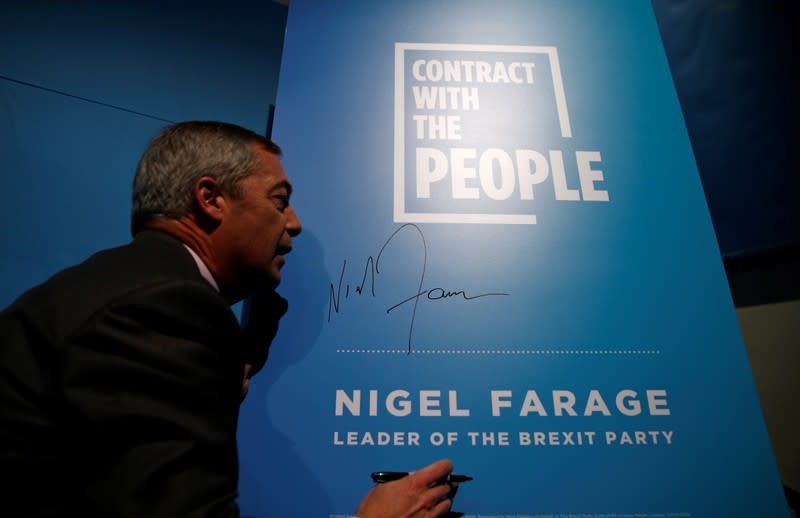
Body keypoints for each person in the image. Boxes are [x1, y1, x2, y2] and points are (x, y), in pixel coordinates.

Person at [0, 121, 456, 517]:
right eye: (280, 201)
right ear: (211, 198)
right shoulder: (162, 306)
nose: (293, 223)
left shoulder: (119, 286)